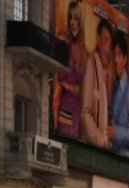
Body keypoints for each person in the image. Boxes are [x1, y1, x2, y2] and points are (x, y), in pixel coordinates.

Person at [54, 0, 87, 137]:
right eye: (70, 18)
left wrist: (66, 85)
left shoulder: (84, 52)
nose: (73, 22)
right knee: (63, 138)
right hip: (64, 105)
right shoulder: (63, 42)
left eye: (76, 18)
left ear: (80, 21)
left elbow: (83, 90)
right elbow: (57, 79)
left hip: (77, 108)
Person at [80, 18, 113, 148]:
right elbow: (85, 112)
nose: (108, 45)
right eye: (105, 39)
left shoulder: (107, 71)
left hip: (104, 146)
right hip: (91, 145)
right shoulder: (91, 64)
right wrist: (100, 140)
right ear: (98, 40)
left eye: (109, 40)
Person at [109, 33, 129, 159]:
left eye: (119, 55)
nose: (115, 60)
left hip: (127, 158)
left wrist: (117, 133)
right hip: (114, 156)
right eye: (114, 55)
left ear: (125, 59)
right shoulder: (115, 87)